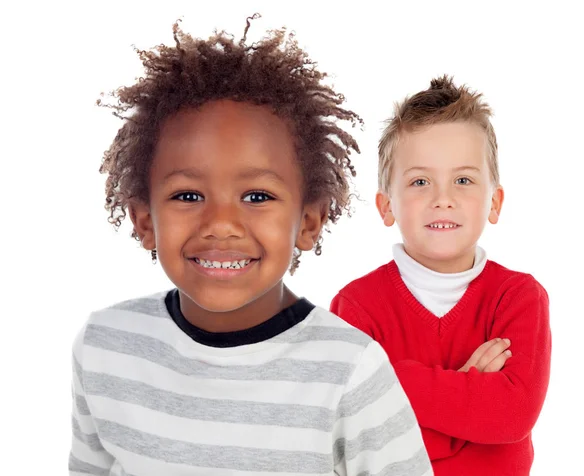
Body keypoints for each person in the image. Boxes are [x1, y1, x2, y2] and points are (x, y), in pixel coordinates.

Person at [68, 16, 432, 476]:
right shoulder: (106, 347)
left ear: (309, 221)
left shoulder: (349, 371)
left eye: (257, 197)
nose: (221, 225)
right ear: (145, 221)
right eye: (188, 196)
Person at [331, 75, 551, 475]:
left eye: (463, 180)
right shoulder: (356, 306)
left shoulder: (519, 297)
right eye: (420, 182)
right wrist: (468, 388)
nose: (443, 199)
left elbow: (512, 417)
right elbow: (355, 443)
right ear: (386, 206)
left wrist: (392, 382)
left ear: (494, 202)